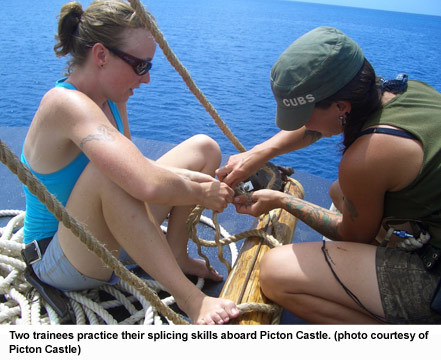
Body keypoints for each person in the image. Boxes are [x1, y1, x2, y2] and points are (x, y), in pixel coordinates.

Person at [20, 0, 239, 325]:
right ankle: (191, 299)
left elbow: (137, 171)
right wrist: (203, 191)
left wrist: (200, 183)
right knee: (109, 175)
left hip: (103, 240)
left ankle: (175, 254)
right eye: (140, 66)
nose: (147, 79)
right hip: (59, 256)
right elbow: (143, 182)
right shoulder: (64, 104)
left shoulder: (112, 99)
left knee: (204, 148)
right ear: (101, 55)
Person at [216, 26, 441, 324]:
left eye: (304, 114)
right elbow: (320, 126)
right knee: (339, 192)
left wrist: (282, 200)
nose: (303, 124)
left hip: (434, 276)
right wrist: (259, 153)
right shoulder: (405, 91)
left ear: (341, 107)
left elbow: (351, 233)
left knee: (275, 272)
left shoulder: (365, 159)